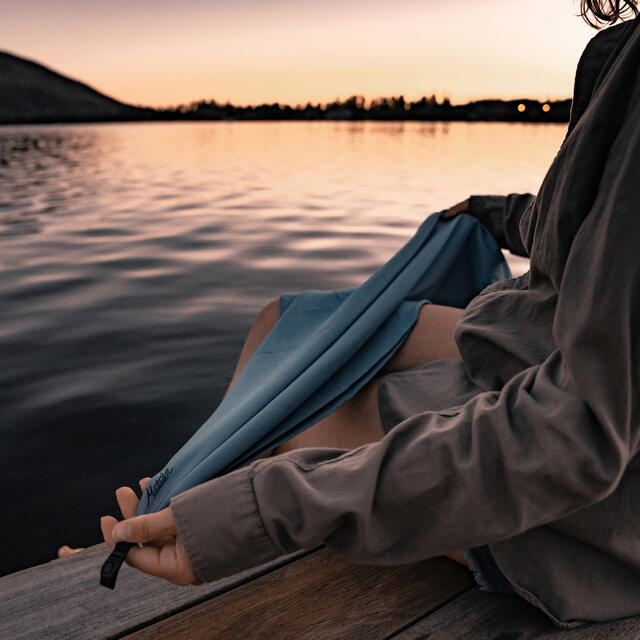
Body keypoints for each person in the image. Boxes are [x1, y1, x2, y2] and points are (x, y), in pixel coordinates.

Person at [65, 0, 640, 628]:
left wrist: (272, 506)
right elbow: (600, 228)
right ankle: (172, 504)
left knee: (284, 440)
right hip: (566, 343)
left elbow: (579, 428)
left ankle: (145, 541)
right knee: (286, 324)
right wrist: (491, 213)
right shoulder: (626, 57)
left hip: (602, 516)